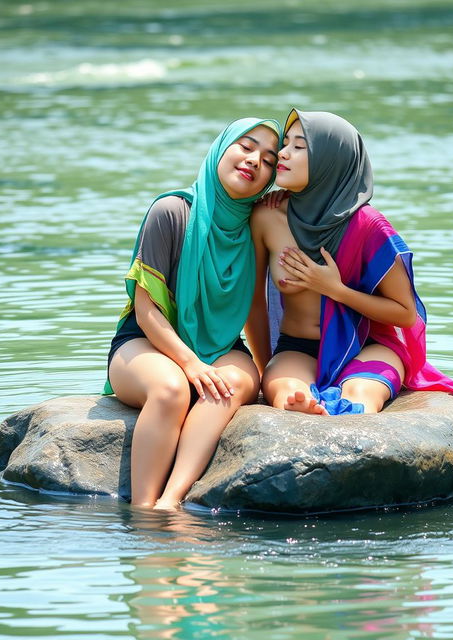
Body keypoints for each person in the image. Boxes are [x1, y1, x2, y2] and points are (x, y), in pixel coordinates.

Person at [245, 109, 453, 479]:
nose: (282, 154)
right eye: (284, 144)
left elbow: (404, 313)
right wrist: (265, 364)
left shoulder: (368, 225)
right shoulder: (267, 216)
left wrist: (333, 289)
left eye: (299, 147)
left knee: (362, 394)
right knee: (287, 393)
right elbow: (253, 301)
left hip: (371, 345)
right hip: (298, 345)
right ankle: (312, 408)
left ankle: (346, 425)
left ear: (331, 162)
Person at [105, 117, 281, 509]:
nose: (255, 161)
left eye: (269, 160)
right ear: (221, 149)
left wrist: (266, 375)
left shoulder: (255, 224)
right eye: (246, 146)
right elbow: (146, 309)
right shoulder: (171, 211)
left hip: (221, 344)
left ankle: (173, 500)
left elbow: (253, 305)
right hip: (145, 342)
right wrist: (189, 364)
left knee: (230, 385)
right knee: (171, 390)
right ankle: (144, 512)